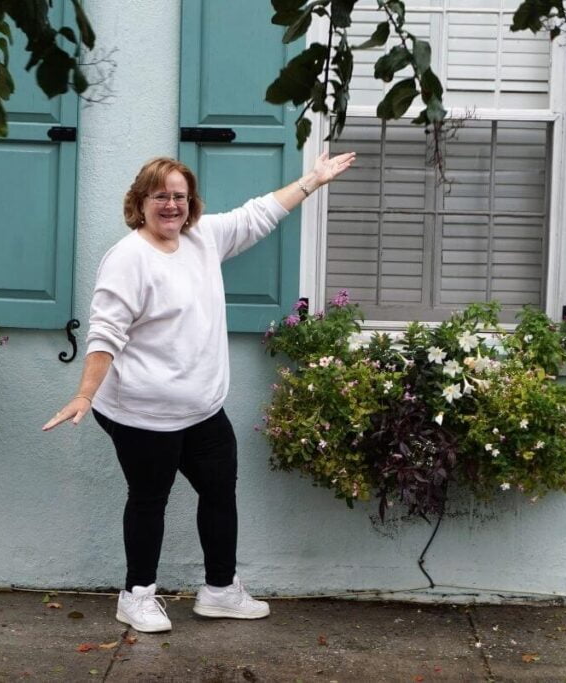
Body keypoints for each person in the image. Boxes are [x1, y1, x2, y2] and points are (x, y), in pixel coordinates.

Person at [42, 151, 356, 633]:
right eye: (161, 196)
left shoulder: (203, 238)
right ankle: (137, 596)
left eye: (180, 196)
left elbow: (259, 214)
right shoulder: (129, 258)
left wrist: (312, 180)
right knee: (149, 500)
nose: (171, 205)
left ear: (191, 203)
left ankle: (220, 590)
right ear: (140, 203)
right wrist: (85, 395)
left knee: (219, 493)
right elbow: (105, 333)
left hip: (203, 409)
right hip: (143, 414)